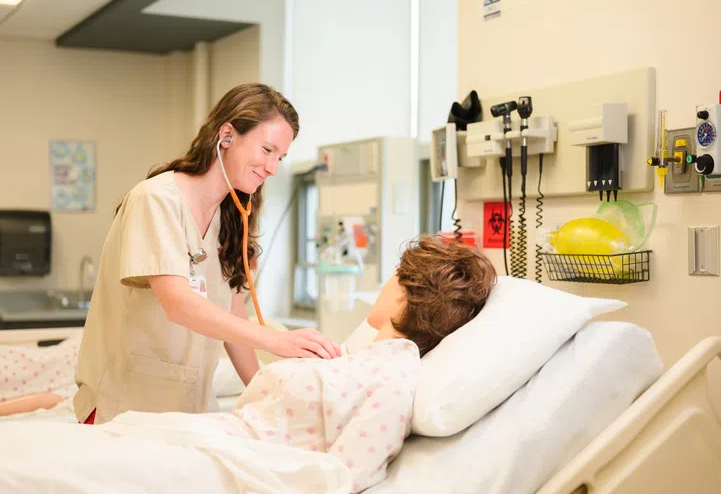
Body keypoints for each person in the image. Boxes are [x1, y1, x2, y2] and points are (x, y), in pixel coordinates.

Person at [0, 235, 497, 493]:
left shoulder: (395, 377)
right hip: (205, 441)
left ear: (405, 298)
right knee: (44, 446)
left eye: (392, 279)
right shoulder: (361, 358)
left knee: (43, 465)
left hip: (225, 467)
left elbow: (342, 474)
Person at [73, 83, 341, 426]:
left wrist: (263, 392)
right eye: (267, 149)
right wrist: (277, 339)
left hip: (189, 407)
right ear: (226, 135)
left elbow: (231, 308)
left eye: (281, 157)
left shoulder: (228, 215)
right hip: (124, 406)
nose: (273, 168)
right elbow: (178, 302)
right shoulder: (155, 200)